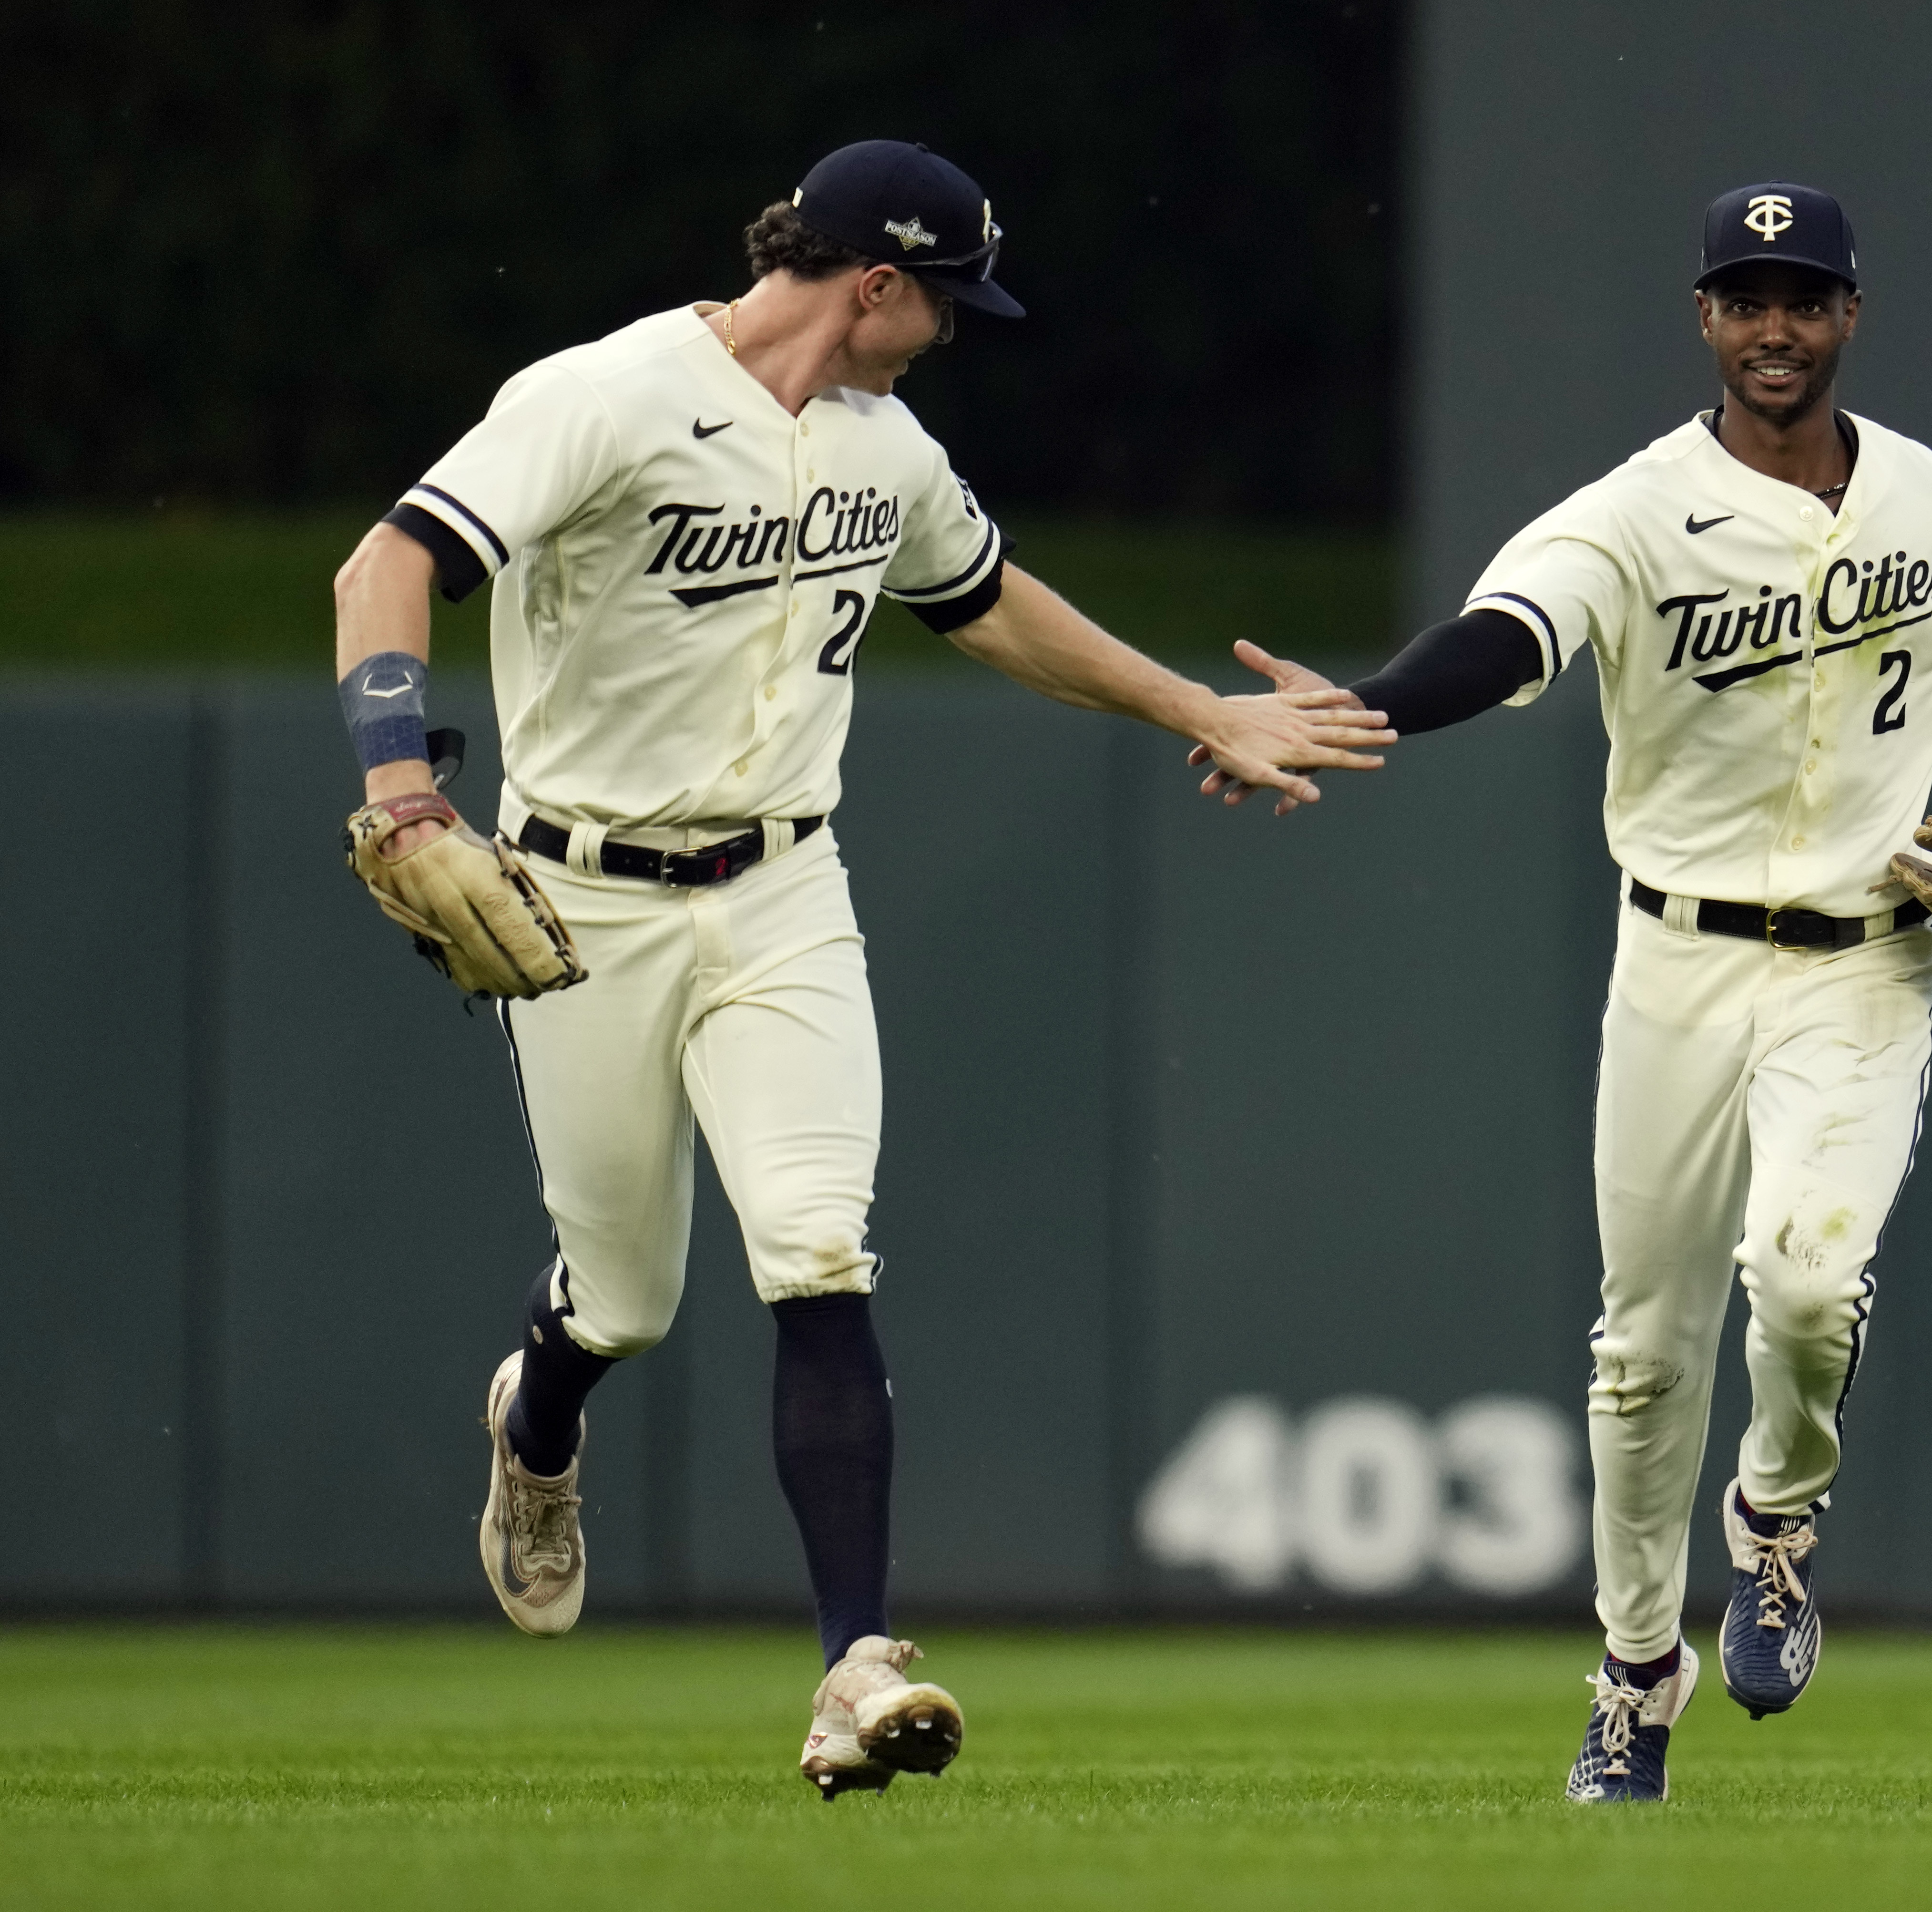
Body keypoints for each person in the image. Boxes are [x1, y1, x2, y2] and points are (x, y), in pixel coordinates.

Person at [328, 139, 1391, 1799]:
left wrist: (1199, 707)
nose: (955, 331)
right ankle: (537, 1415)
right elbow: (383, 563)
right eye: (946, 299)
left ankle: (853, 1664)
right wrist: (400, 782)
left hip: (782, 886)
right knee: (629, 1293)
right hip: (584, 893)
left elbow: (987, 604)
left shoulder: (886, 448)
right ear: (875, 283)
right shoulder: (607, 395)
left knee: (820, 1247)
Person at [1200, 181, 1932, 1800]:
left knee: (1804, 1284)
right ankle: (1632, 1674)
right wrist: (1363, 709)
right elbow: (1504, 639)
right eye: (1746, 298)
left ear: (1850, 316)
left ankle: (1775, 1517)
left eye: (1802, 296)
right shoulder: (1634, 512)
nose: (1775, 327)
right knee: (1643, 1354)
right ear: (1705, 320)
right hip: (1677, 956)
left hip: (1867, 960)